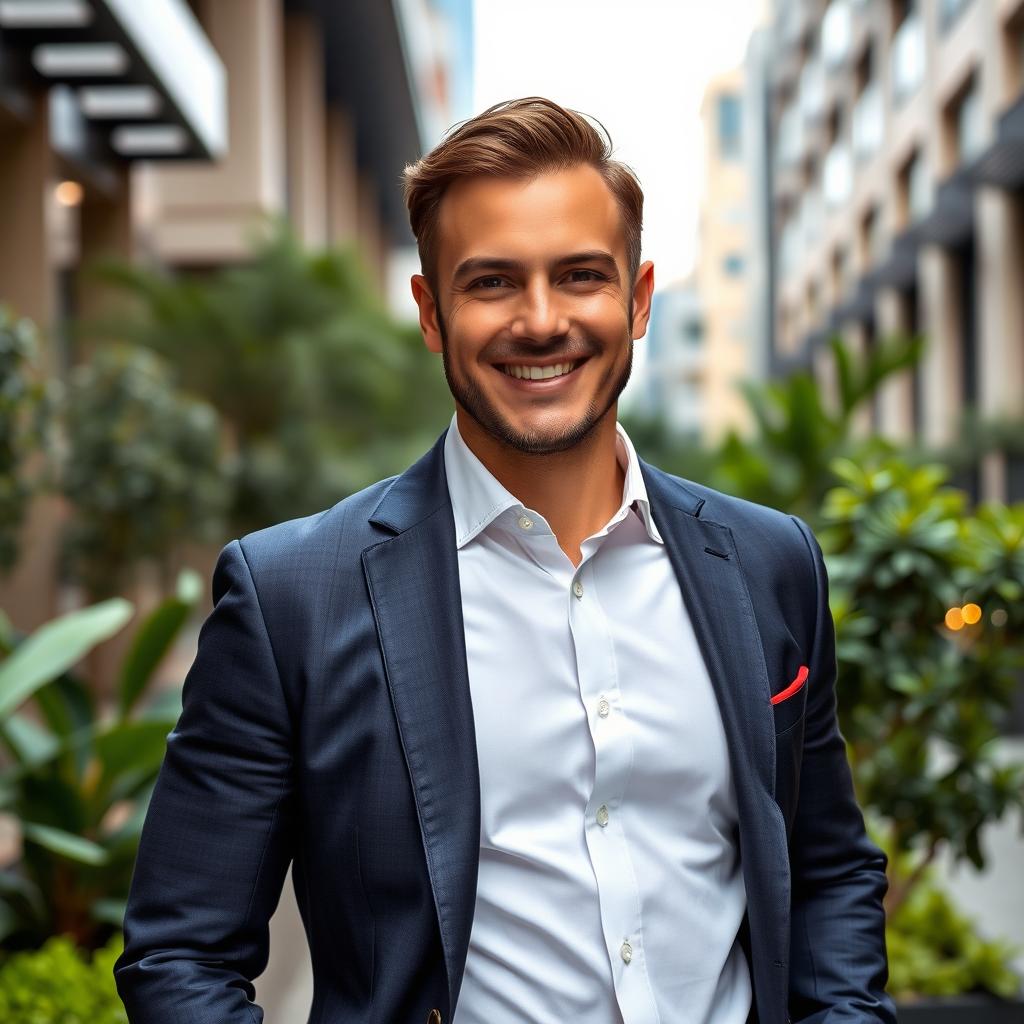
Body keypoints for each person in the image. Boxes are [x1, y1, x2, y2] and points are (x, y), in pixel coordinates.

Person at [114, 97, 894, 1024]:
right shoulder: (291, 597)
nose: (539, 321)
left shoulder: (770, 562)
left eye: (579, 276)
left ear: (638, 299)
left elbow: (828, 867)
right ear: (430, 312)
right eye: (490, 282)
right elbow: (181, 955)